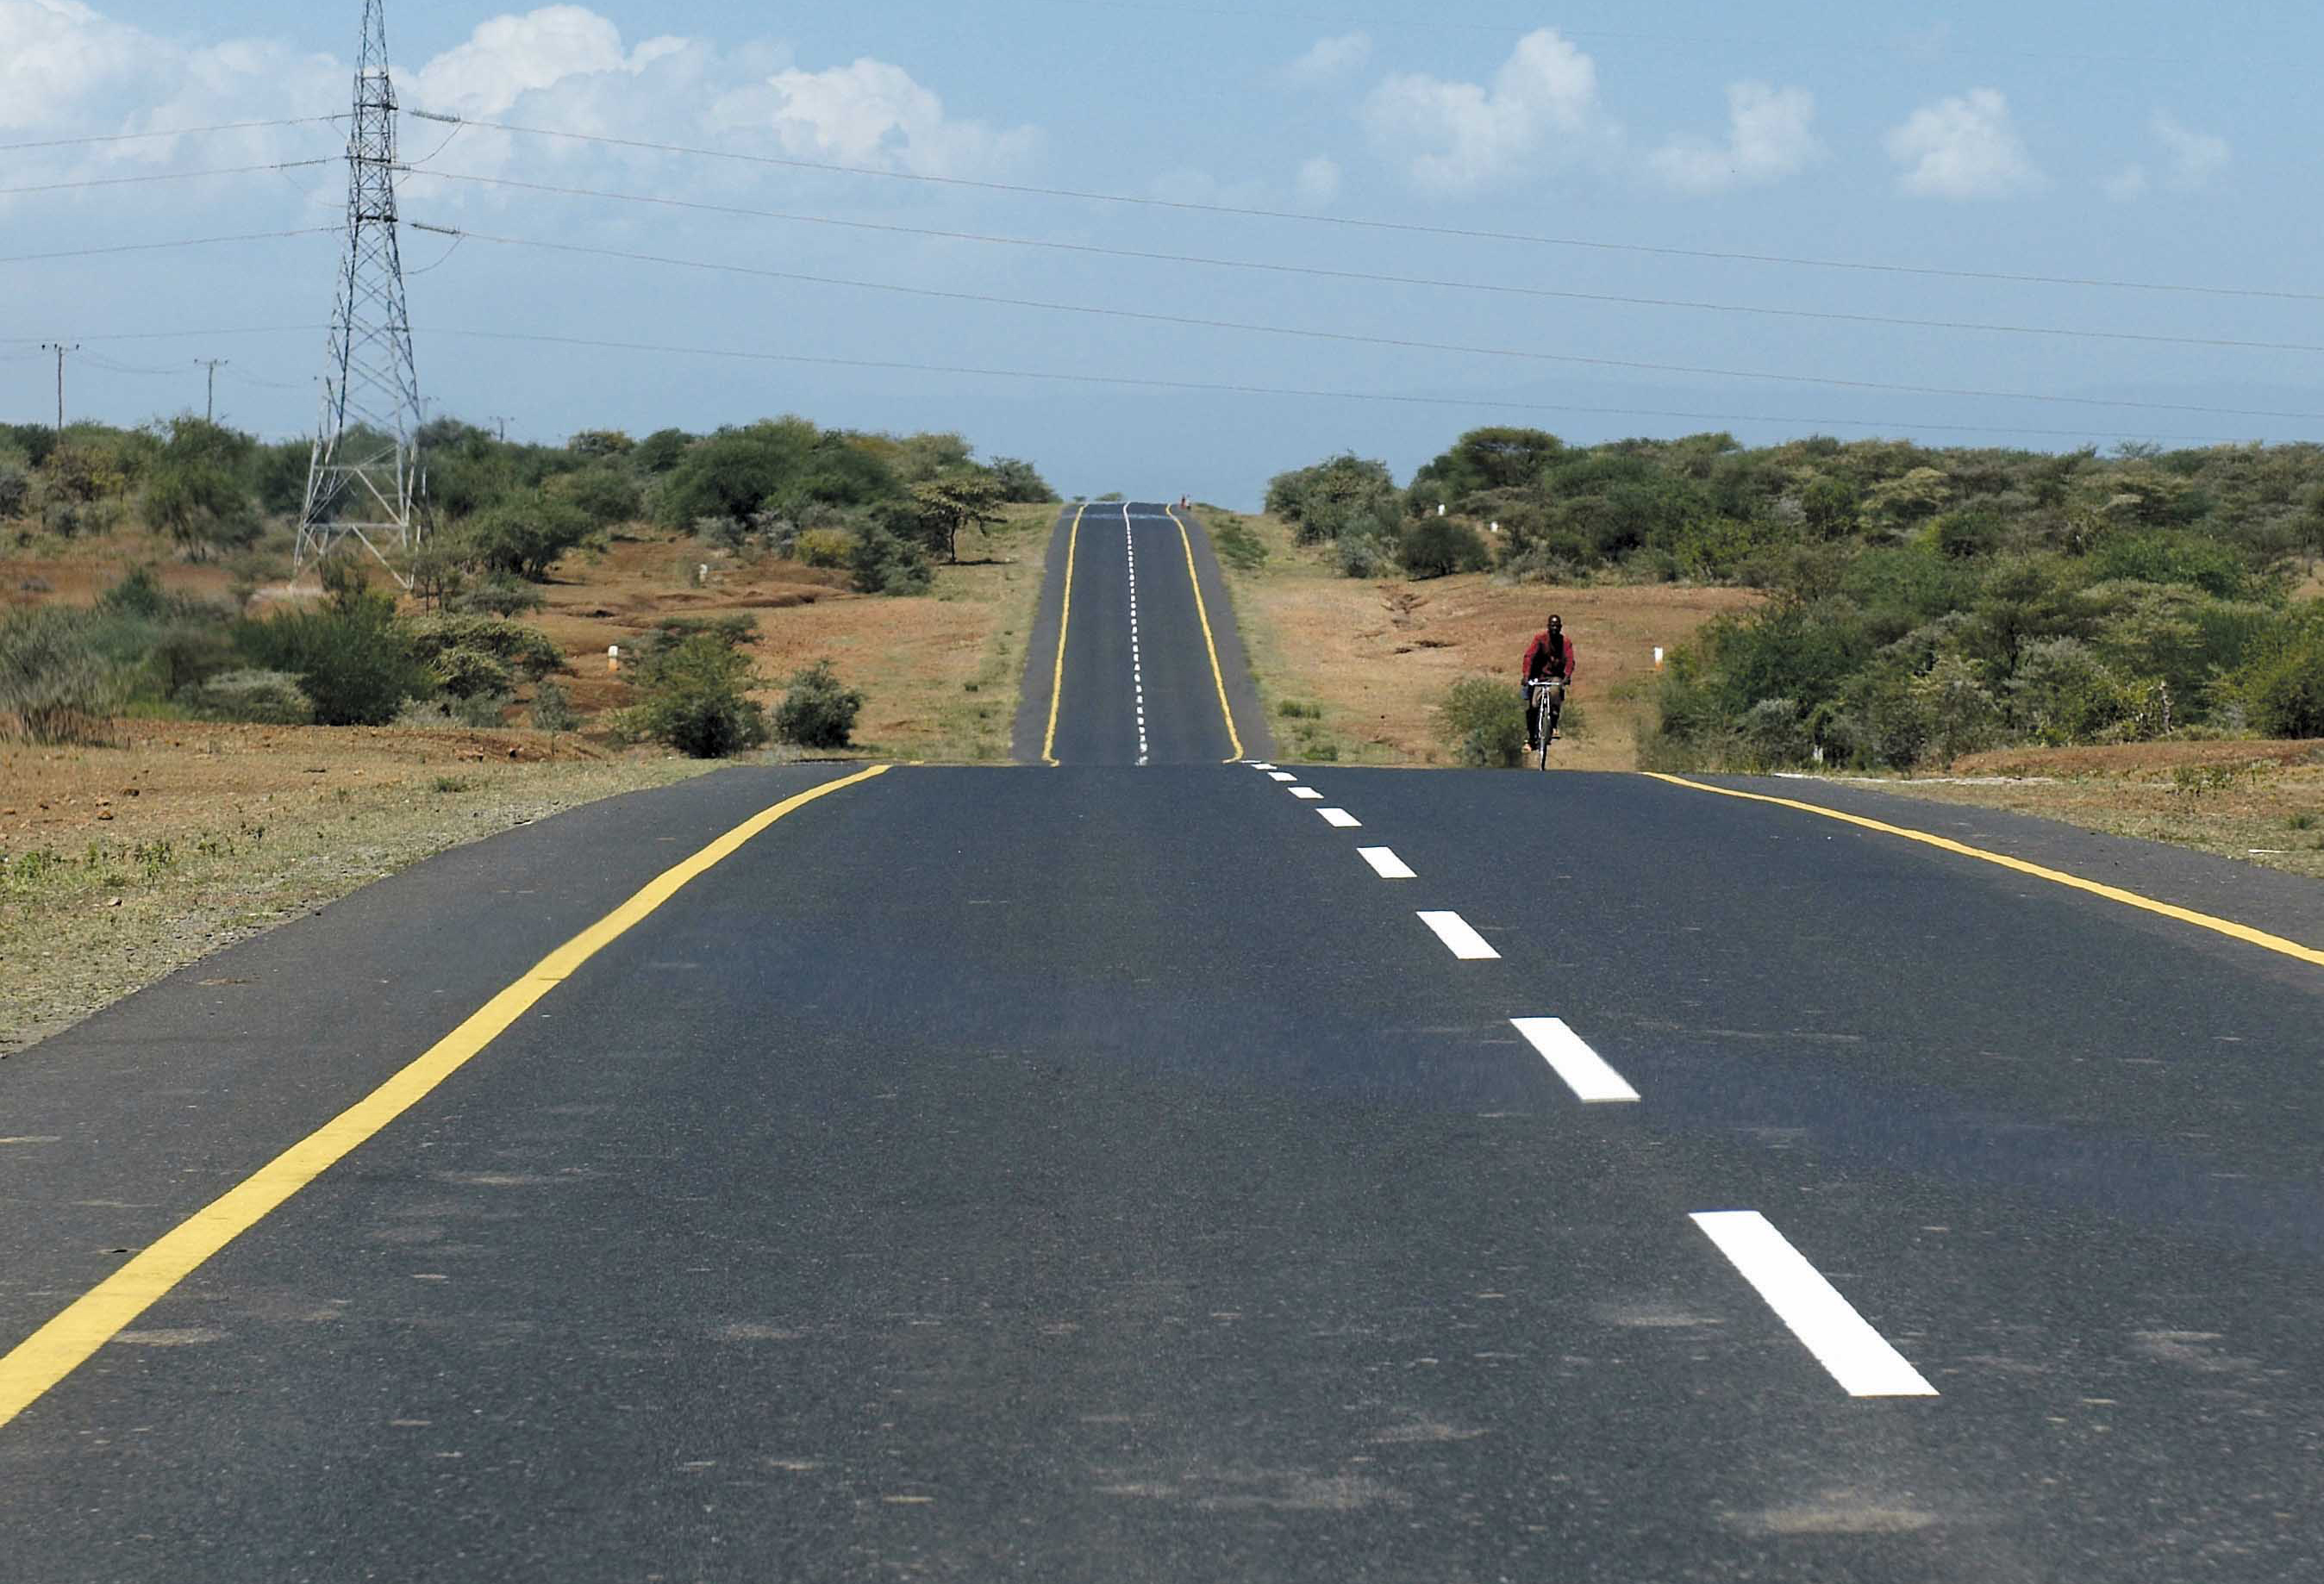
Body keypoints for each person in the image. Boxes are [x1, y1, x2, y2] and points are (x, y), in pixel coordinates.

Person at [1521, 614, 1577, 751]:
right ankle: (1532, 739)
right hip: (1538, 677)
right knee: (1533, 705)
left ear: (1561, 627)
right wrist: (1526, 675)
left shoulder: (1565, 642)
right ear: (1548, 626)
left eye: (1557, 626)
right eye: (1552, 626)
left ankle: (1553, 726)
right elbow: (1529, 656)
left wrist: (1567, 676)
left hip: (1555, 677)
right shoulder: (1540, 639)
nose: (1554, 628)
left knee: (1555, 693)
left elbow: (1570, 660)